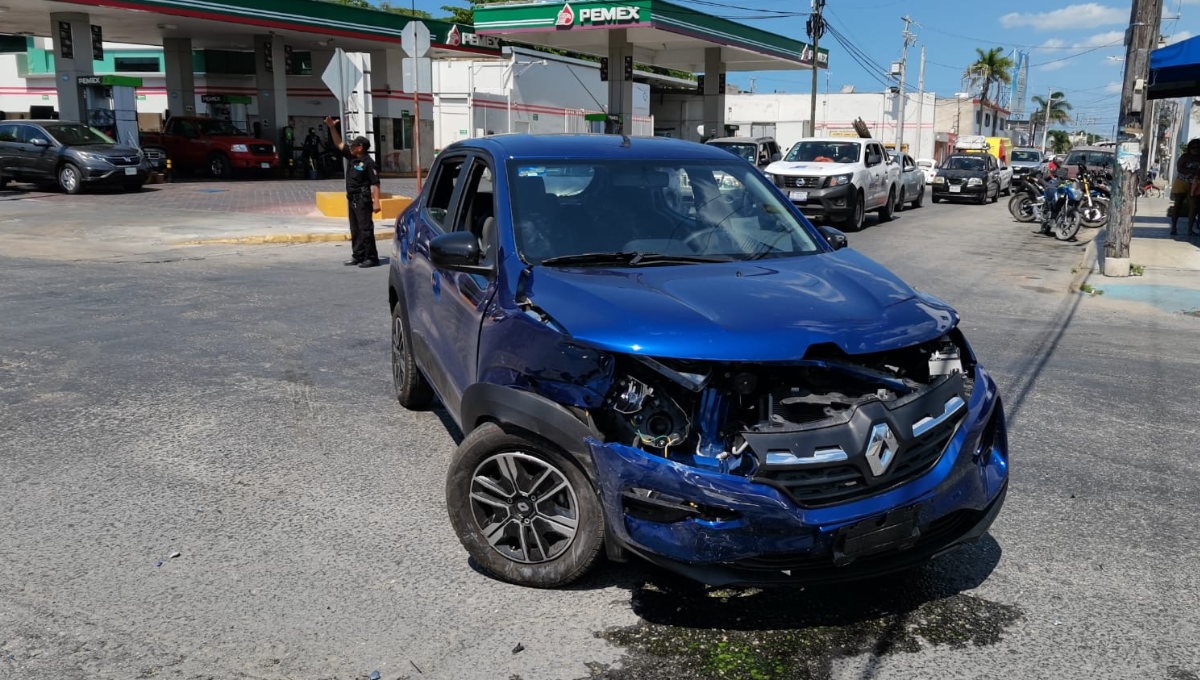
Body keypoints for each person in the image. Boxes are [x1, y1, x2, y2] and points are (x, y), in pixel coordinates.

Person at [324, 116, 382, 267]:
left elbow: (376, 183)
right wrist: (332, 127)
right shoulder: (352, 158)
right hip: (352, 199)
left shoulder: (369, 164)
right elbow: (339, 143)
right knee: (355, 229)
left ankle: (371, 257)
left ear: (360, 147)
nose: (350, 147)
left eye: (353, 145)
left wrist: (376, 202)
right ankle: (358, 255)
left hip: (363, 199)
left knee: (365, 229)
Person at [1170, 139, 1200, 236]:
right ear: (1189, 148)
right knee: (1177, 205)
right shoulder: (1185, 157)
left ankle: (1190, 230)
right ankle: (1173, 228)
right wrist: (1191, 172)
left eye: (1198, 147)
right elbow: (1179, 168)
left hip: (1195, 184)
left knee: (1194, 207)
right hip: (1182, 182)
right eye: (1193, 147)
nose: (1195, 150)